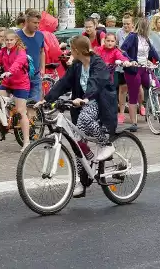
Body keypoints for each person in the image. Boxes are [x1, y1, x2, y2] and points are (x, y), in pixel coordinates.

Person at [38, 35, 118, 197]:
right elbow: (63, 83)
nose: (69, 51)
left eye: (70, 48)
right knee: (76, 143)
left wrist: (86, 97)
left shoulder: (98, 63)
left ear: (77, 50)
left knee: (84, 119)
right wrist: (46, 100)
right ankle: (82, 181)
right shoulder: (76, 65)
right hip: (82, 103)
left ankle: (106, 144)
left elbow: (96, 82)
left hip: (99, 102)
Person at [121, 17, 160, 132]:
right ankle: (134, 123)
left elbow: (152, 50)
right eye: (146, 27)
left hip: (145, 68)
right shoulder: (132, 37)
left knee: (157, 87)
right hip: (133, 69)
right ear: (143, 27)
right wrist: (130, 60)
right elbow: (123, 50)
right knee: (133, 95)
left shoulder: (146, 38)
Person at [17, 10, 45, 102]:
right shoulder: (17, 36)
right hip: (21, 76)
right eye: (34, 23)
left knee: (34, 104)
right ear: (27, 22)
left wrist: (42, 68)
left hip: (35, 76)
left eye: (38, 23)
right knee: (21, 105)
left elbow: (42, 52)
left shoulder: (40, 35)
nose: (37, 25)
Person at [115, 13, 134, 124]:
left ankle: (140, 106)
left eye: (127, 24)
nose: (125, 26)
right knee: (122, 89)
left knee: (135, 90)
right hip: (122, 66)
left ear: (132, 24)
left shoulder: (135, 34)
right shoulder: (119, 32)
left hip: (133, 64)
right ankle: (121, 113)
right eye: (123, 24)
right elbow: (116, 46)